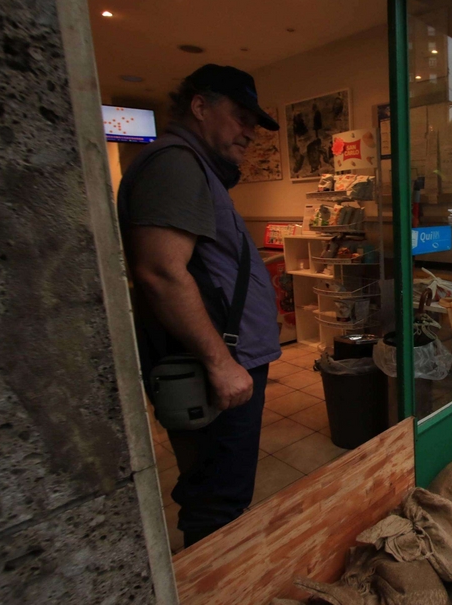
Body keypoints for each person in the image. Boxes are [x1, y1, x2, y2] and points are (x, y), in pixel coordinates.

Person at [117, 64, 282, 547]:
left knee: (223, 494)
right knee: (217, 502)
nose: (250, 132)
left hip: (229, 363)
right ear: (200, 106)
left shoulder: (195, 167)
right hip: (215, 369)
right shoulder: (175, 163)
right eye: (241, 117)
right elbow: (161, 271)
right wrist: (221, 362)